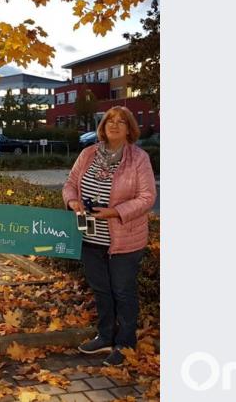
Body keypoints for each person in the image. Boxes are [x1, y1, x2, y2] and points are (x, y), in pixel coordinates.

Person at [62, 106, 157, 366]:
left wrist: (115, 212)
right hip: (90, 237)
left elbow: (148, 197)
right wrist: (72, 202)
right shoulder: (87, 154)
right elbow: (70, 184)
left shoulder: (138, 158)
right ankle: (104, 336)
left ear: (129, 128)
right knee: (101, 290)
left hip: (125, 240)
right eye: (109, 121)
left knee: (123, 291)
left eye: (121, 122)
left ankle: (125, 343)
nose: (114, 125)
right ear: (102, 127)